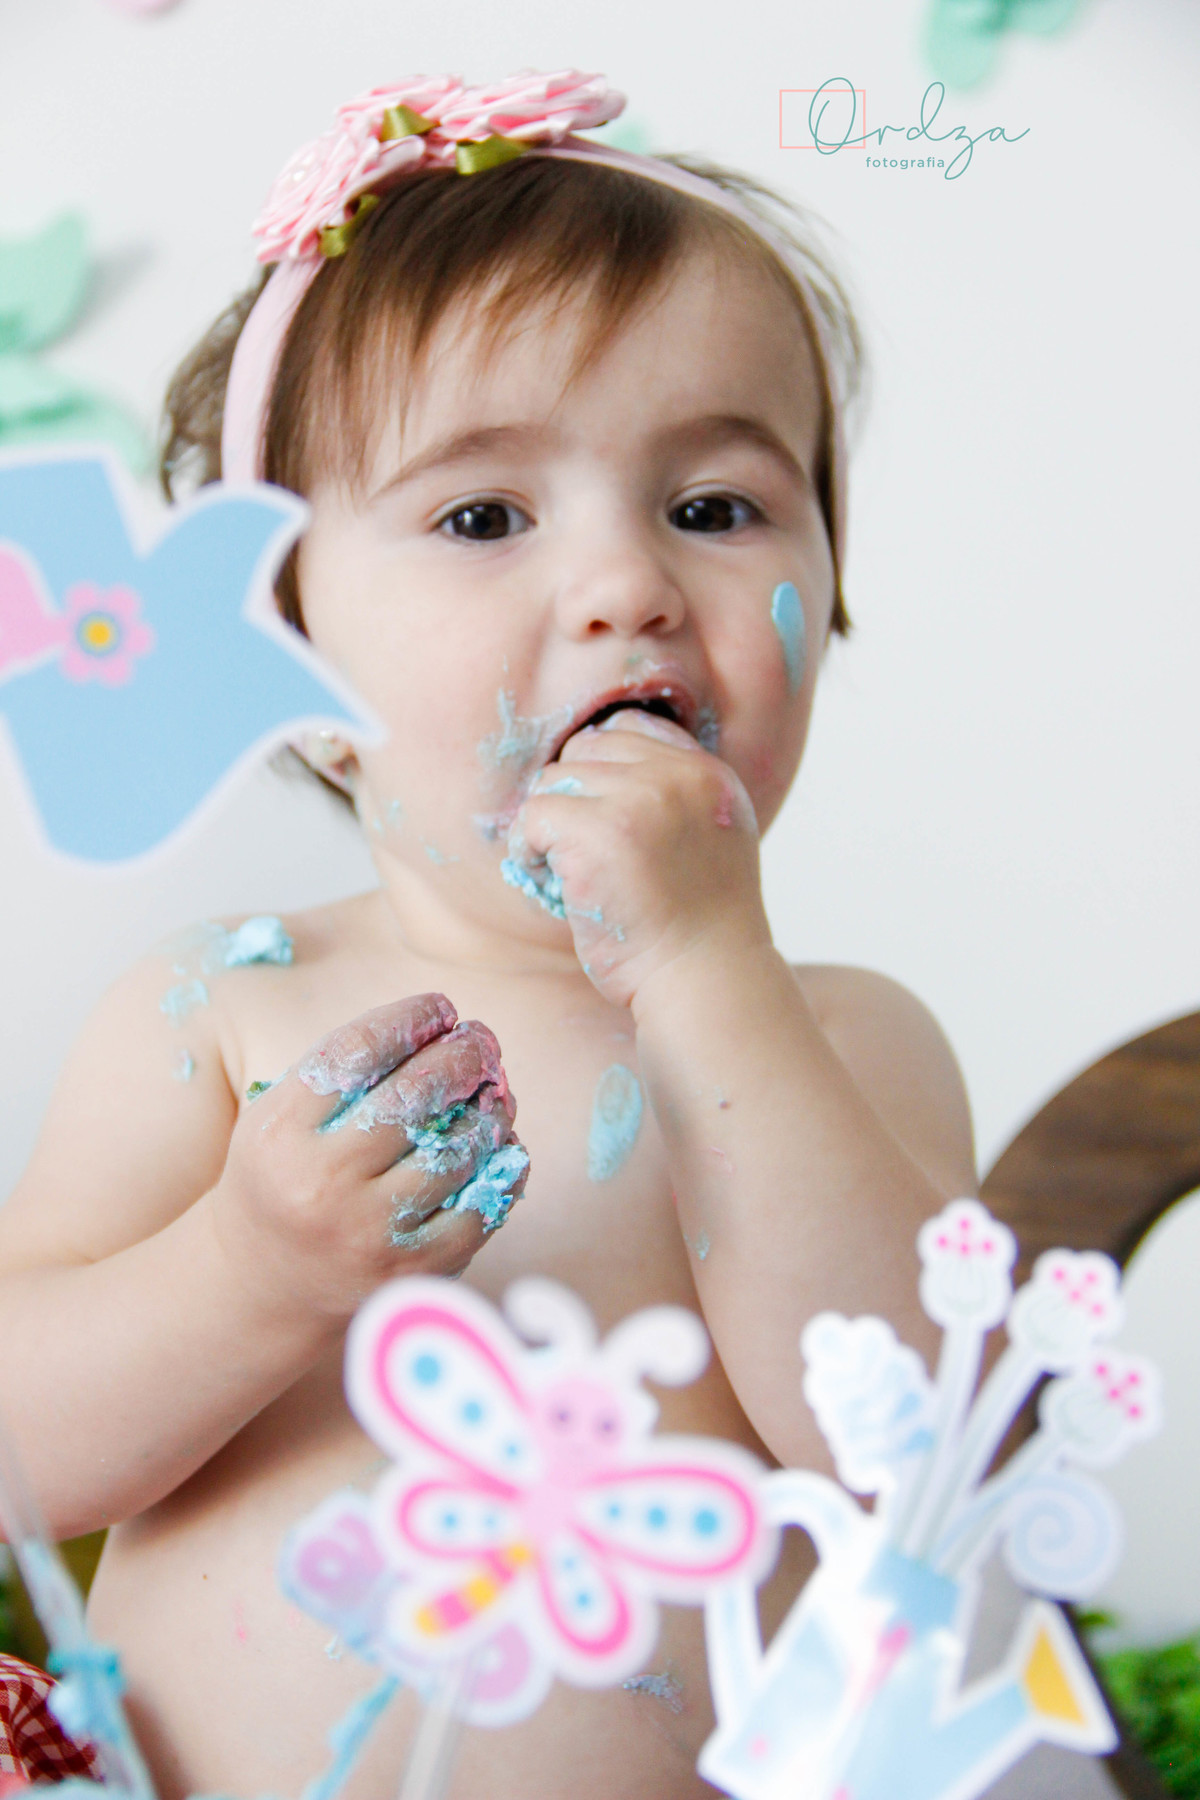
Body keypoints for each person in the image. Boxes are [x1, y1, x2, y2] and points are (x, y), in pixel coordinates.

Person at [0, 70, 978, 1799]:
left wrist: (705, 971)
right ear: (290, 661)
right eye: (483, 517)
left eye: (716, 507)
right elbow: (24, 1453)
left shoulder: (842, 1038)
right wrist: (248, 1275)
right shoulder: (221, 1010)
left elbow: (918, 1454)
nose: (628, 586)